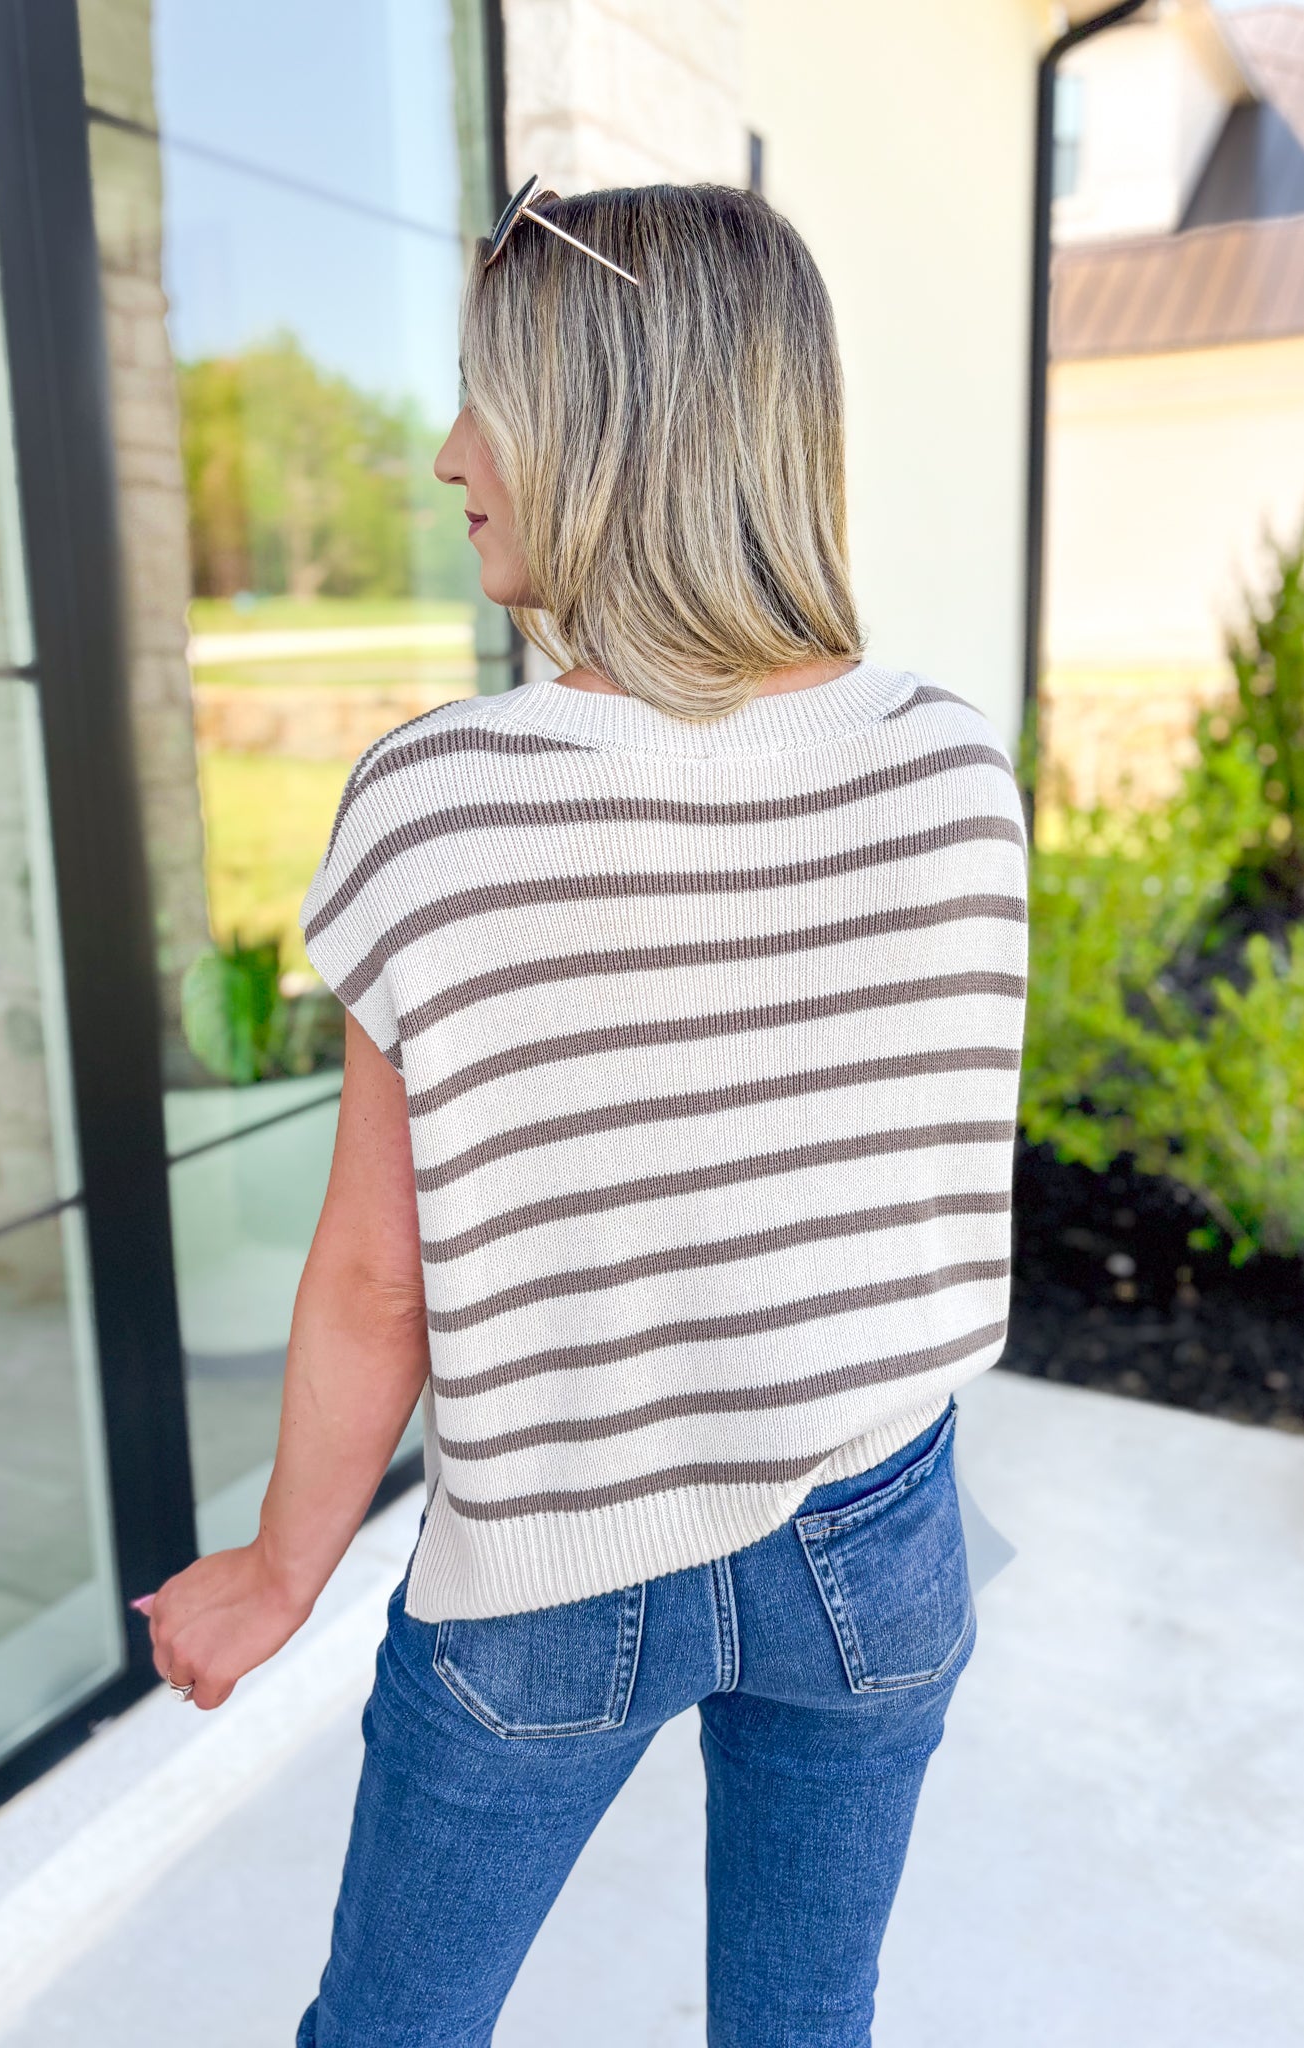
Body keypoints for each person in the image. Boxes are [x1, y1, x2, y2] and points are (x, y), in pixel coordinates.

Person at [140, 181, 1029, 2047]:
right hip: (878, 1531)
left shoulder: (439, 802)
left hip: (550, 1564)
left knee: (388, 2030)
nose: (449, 453)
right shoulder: (955, 769)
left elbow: (382, 1281)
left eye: (493, 401)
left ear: (617, 430)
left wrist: (281, 1568)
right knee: (806, 2025)